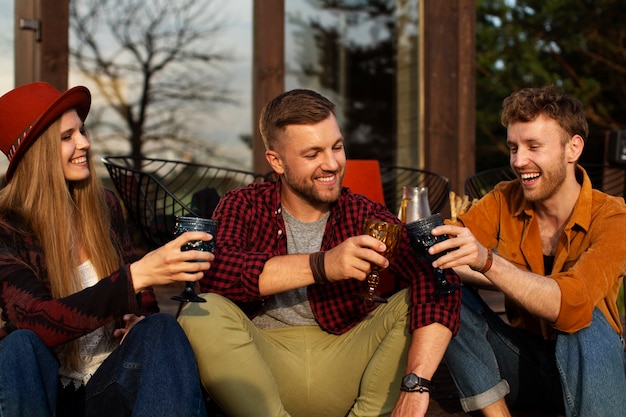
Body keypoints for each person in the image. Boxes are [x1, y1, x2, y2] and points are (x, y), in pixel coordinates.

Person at [178, 88, 461, 417]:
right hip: (263, 365)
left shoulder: (363, 213)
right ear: (277, 161)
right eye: (313, 154)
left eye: (337, 147)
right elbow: (215, 272)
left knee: (426, 286)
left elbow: (438, 276)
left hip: (346, 357)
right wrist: (322, 264)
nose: (332, 164)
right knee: (202, 310)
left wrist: (416, 384)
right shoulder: (243, 204)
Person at [0, 82, 211, 417]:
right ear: (36, 152)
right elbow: (34, 321)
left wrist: (137, 319)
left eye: (82, 131)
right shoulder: (6, 226)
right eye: (66, 137)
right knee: (18, 346)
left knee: (161, 329)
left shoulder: (105, 207)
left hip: (107, 384)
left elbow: (141, 302)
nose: (84, 143)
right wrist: (135, 276)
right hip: (46, 391)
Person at [430, 85, 626, 416]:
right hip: (525, 363)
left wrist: (488, 263)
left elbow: (571, 305)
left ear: (572, 149)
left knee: (585, 319)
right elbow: (442, 252)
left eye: (534, 146)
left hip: (591, 365)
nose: (519, 162)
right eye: (513, 148)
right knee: (444, 288)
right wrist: (483, 267)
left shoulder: (613, 216)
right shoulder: (503, 198)